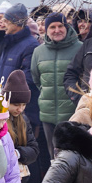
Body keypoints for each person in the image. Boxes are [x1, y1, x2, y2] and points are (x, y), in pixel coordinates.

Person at [31, 12, 82, 157]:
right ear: (46, 30)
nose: (57, 30)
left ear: (67, 27)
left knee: (74, 157)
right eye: (52, 27)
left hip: (73, 115)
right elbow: (36, 79)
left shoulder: (80, 48)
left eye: (60, 26)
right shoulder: (38, 52)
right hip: (48, 116)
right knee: (54, 156)